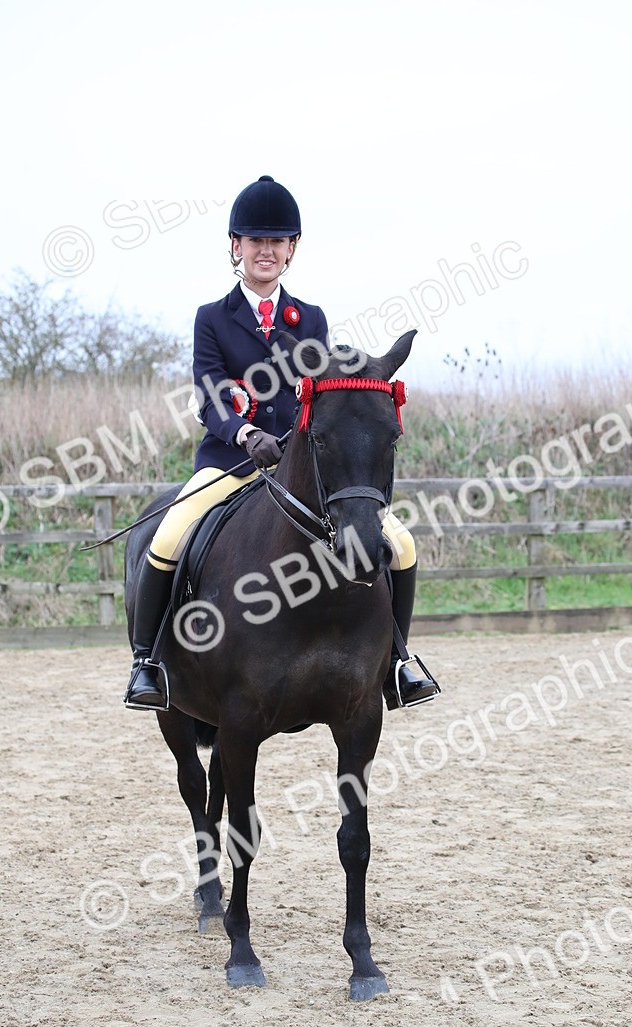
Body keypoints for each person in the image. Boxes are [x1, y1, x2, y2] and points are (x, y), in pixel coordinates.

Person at [124, 174, 439, 712]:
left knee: (402, 544)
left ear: (291, 249)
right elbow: (210, 396)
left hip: (299, 470)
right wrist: (245, 433)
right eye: (255, 241)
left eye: (277, 242)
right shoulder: (212, 320)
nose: (265, 251)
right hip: (229, 463)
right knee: (169, 535)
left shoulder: (309, 319)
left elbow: (320, 399)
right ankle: (147, 663)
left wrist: (308, 436)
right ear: (236, 248)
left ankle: (398, 662)